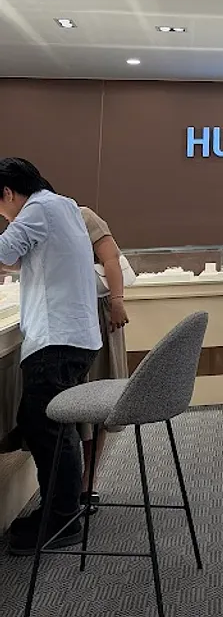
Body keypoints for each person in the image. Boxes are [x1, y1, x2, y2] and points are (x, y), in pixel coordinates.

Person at [0, 159, 100, 555]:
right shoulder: (65, 206)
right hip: (73, 337)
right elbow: (17, 258)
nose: (4, 216)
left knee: (48, 431)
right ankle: (61, 511)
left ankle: (60, 519)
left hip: (56, 341)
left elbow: (4, 250)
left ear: (8, 192)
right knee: (49, 427)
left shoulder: (38, 208)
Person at [78, 206, 129, 506]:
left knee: (96, 396)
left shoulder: (83, 216)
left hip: (99, 315)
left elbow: (111, 259)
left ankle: (88, 482)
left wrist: (117, 301)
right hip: (67, 315)